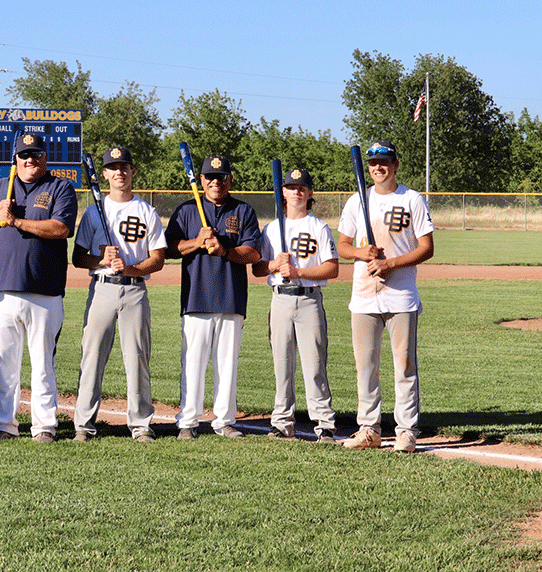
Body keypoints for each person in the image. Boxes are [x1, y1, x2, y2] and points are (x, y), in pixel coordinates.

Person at [0, 132, 78, 443]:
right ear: (15, 159)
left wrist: (16, 222)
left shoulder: (60, 187)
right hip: (3, 290)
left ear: (46, 157)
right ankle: (4, 425)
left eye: (37, 154)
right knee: (5, 363)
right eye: (24, 155)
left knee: (43, 364)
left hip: (46, 291)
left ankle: (44, 426)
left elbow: (61, 228)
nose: (31, 160)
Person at [337, 141, 434, 453]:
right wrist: (362, 253)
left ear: (395, 165)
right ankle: (369, 429)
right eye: (373, 163)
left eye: (384, 162)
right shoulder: (357, 201)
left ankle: (406, 430)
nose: (378, 168)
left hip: (401, 296)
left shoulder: (412, 199)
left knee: (404, 365)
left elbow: (426, 248)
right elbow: (342, 246)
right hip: (364, 296)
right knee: (365, 366)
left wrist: (390, 263)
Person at [71, 146, 166, 443]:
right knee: (92, 356)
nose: (119, 172)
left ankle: (140, 425)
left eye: (124, 167)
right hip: (101, 289)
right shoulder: (93, 214)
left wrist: (132, 268)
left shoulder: (146, 211)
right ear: (105, 175)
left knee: (137, 358)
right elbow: (77, 257)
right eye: (113, 168)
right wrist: (100, 260)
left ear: (132, 171)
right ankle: (83, 425)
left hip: (135, 292)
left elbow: (158, 259)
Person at [165, 154, 261, 439]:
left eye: (221, 177)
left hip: (231, 299)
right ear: (202, 180)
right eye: (209, 177)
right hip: (196, 298)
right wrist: (196, 241)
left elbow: (253, 253)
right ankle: (188, 422)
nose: (215, 182)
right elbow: (168, 249)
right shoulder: (186, 210)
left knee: (227, 363)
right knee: (193, 362)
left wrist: (225, 251)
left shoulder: (243, 211)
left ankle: (224, 420)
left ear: (229, 179)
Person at [251, 168, 338, 443]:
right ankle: (281, 422)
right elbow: (257, 268)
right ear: (283, 193)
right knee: (282, 363)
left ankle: (324, 423)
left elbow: (332, 269)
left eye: (302, 187)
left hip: (310, 299)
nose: (296, 191)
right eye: (291, 187)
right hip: (280, 299)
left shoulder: (319, 227)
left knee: (314, 365)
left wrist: (298, 272)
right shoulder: (272, 228)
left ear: (310, 193)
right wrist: (276, 264)